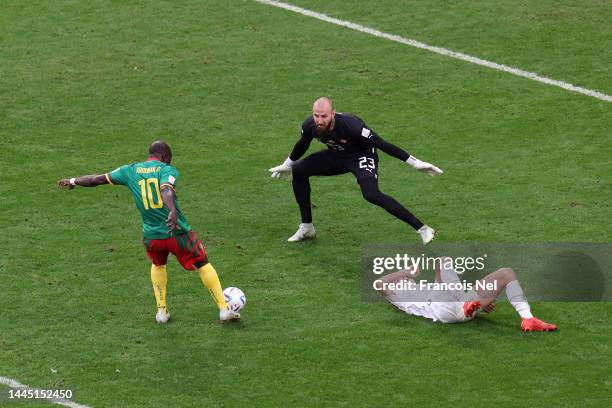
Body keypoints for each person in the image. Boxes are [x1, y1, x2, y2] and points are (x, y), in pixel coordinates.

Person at [58, 141, 240, 324]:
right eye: (169, 158)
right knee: (202, 263)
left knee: (158, 264)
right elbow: (166, 189)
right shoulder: (166, 170)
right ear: (164, 156)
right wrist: (172, 211)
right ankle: (224, 309)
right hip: (177, 232)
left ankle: (161, 312)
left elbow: (97, 179)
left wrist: (73, 181)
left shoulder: (130, 170)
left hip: (152, 236)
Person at [269, 97, 442, 245]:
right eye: (316, 115)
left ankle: (422, 228)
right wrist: (288, 163)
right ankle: (307, 227)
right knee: (298, 170)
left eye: (324, 116)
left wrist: (415, 163)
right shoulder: (310, 125)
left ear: (333, 113)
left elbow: (381, 144)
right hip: (337, 155)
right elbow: (303, 142)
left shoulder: (353, 127)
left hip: (361, 156)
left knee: (371, 194)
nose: (319, 120)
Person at [376, 257, 558, 332]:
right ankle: (469, 303)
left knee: (506, 273)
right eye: (398, 283)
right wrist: (405, 272)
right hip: (443, 311)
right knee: (445, 262)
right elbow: (380, 283)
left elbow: (441, 276)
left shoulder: (426, 289)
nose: (402, 282)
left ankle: (528, 319)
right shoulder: (399, 298)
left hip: (457, 306)